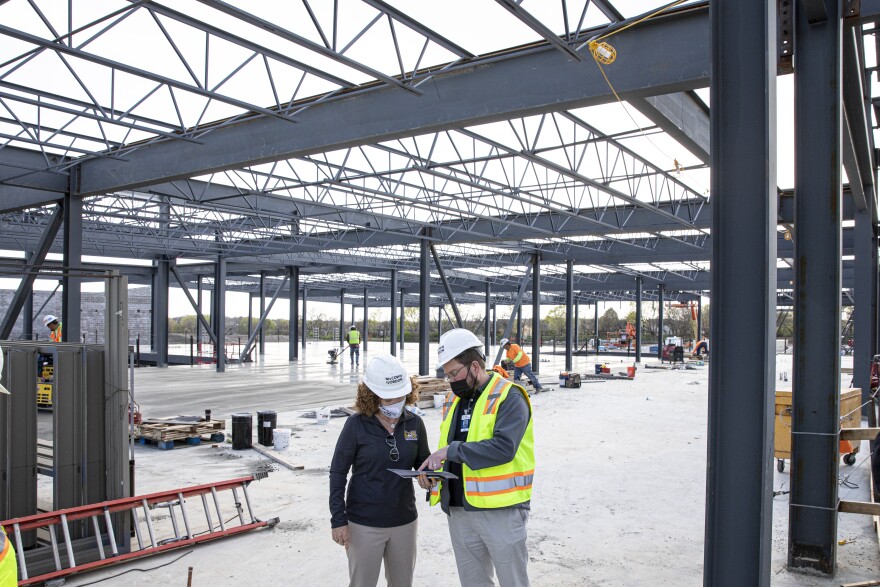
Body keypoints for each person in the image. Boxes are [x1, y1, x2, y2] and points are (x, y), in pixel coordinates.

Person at [418, 328, 535, 587]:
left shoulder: (510, 396)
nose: (450, 381)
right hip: (459, 510)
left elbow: (503, 448)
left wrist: (451, 451)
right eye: (447, 375)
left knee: (513, 582)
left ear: (474, 366)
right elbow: (445, 448)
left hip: (501, 512)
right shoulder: (453, 400)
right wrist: (432, 473)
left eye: (454, 373)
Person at [330, 354, 430, 587]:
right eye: (388, 398)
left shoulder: (415, 424)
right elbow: (337, 473)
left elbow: (422, 462)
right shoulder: (356, 425)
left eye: (400, 396)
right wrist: (338, 519)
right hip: (363, 524)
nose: (396, 402)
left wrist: (430, 477)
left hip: (404, 521)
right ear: (372, 395)